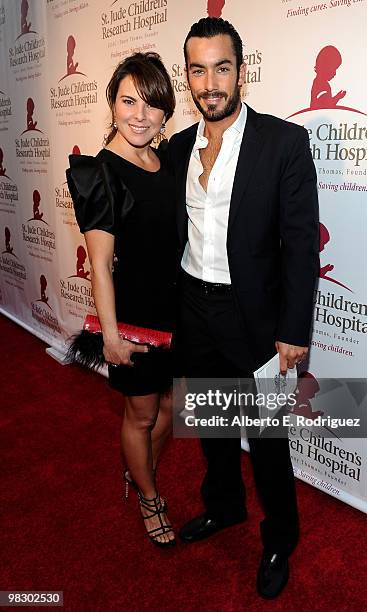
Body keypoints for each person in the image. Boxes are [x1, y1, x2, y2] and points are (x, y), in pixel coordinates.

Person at [168, 18, 319, 597]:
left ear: (241, 72)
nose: (211, 82)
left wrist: (293, 329)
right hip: (193, 308)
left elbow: (302, 243)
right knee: (210, 426)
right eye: (198, 69)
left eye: (222, 67)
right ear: (188, 77)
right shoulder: (178, 147)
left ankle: (281, 536)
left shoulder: (283, 142)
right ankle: (224, 506)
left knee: (269, 440)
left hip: (256, 318)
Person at [66, 52, 177, 547]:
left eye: (152, 105)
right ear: (111, 104)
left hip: (178, 308)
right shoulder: (100, 174)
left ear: (165, 112)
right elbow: (100, 268)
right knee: (142, 414)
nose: (140, 115)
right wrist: (110, 336)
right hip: (134, 317)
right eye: (128, 100)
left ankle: (140, 470)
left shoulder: (164, 158)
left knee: (174, 411)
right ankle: (149, 496)